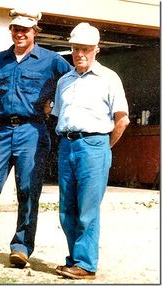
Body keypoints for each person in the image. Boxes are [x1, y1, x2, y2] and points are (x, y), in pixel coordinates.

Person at [0, 8, 73, 268]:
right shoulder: (0, 60)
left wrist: (54, 104)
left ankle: (20, 247)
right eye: (15, 29)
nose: (19, 34)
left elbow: (73, 83)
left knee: (28, 190)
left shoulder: (52, 60)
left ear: (35, 32)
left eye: (25, 30)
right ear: (11, 31)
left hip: (33, 131)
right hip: (3, 132)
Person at [51, 23, 130, 279]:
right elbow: (56, 116)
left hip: (94, 145)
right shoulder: (64, 80)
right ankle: (74, 259)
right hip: (67, 144)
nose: (79, 54)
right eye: (75, 49)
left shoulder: (109, 79)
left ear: (97, 49)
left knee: (88, 209)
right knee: (67, 209)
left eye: (85, 49)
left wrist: (103, 147)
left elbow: (122, 120)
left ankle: (86, 264)